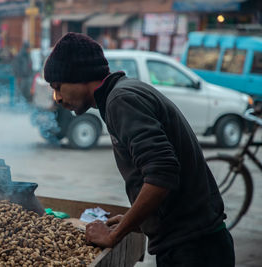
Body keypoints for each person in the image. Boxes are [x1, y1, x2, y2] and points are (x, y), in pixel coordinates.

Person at [43, 32, 235, 267]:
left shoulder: (120, 100)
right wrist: (135, 219)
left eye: (58, 87)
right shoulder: (124, 91)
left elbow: (162, 173)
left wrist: (114, 234)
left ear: (79, 76)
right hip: (195, 242)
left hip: (194, 248)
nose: (57, 98)